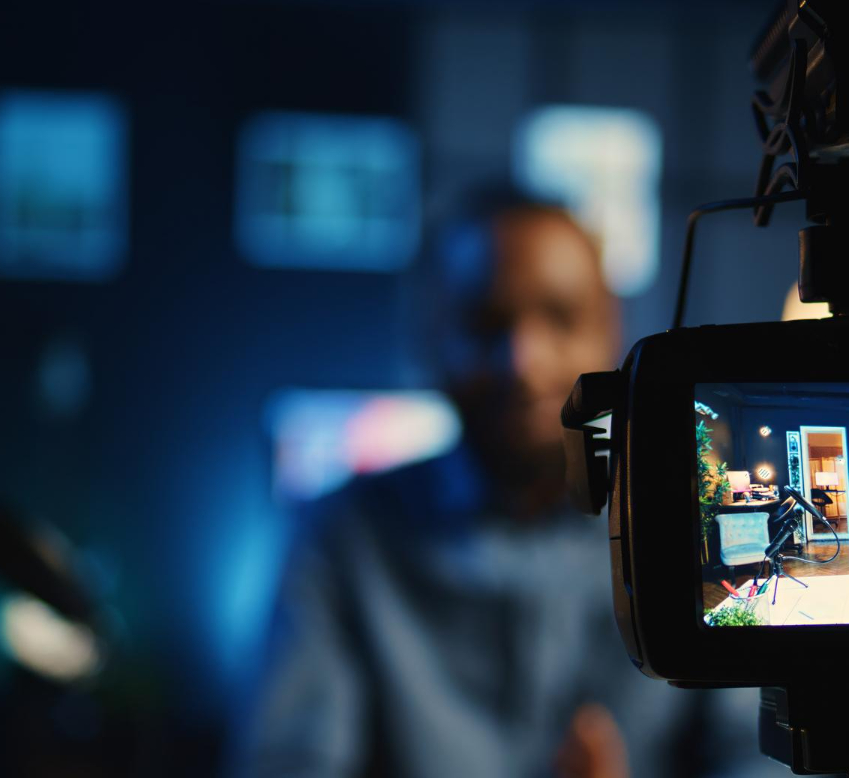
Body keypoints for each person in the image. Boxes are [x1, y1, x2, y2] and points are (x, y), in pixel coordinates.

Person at [236, 193, 781, 778]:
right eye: (485, 324)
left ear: (609, 332)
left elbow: (755, 754)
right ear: (432, 339)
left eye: (560, 317)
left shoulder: (695, 529)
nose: (523, 360)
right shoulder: (341, 539)